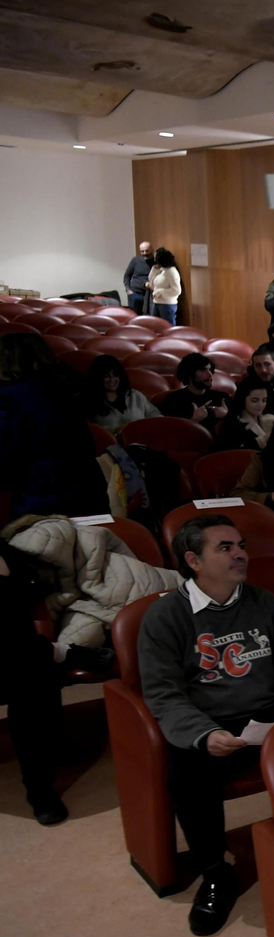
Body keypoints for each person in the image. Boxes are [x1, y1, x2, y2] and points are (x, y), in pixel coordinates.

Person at [137, 515, 274, 934]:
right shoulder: (165, 616)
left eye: (240, 545)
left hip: (270, 716)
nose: (241, 554)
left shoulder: (264, 603)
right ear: (192, 560)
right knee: (186, 772)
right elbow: (164, 694)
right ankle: (216, 871)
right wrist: (203, 734)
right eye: (225, 548)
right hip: (210, 723)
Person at [1, 533, 71, 824]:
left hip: (15, 653)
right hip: (19, 653)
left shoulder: (8, 551)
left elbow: (33, 591)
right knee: (33, 663)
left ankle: (39, 786)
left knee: (32, 676)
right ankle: (64, 653)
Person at [1, 335, 105, 520]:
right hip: (90, 495)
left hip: (40, 502)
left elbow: (7, 455)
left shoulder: (9, 398)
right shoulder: (65, 388)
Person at [85, 353, 160, 431]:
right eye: (106, 376)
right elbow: (88, 430)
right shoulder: (87, 400)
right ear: (97, 378)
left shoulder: (135, 395)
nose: (112, 380)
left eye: (115, 375)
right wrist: (117, 430)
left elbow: (157, 417)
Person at [157, 353, 230, 430]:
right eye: (203, 370)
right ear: (189, 374)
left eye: (210, 369)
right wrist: (194, 420)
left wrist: (227, 416)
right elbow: (168, 433)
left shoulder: (222, 398)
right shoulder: (173, 400)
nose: (210, 374)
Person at [209, 380, 274, 453]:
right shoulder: (233, 424)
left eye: (264, 400)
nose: (260, 405)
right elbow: (232, 454)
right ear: (243, 399)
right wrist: (262, 441)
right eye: (254, 400)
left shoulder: (271, 419)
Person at [148, 247, 182, 326]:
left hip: (167, 304)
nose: (154, 260)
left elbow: (177, 290)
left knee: (168, 326)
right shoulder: (162, 270)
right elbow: (152, 283)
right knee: (155, 326)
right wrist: (154, 270)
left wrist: (160, 292)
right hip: (157, 302)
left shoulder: (171, 271)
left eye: (156, 258)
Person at [123, 241, 153, 314]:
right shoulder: (135, 260)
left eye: (147, 250)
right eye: (142, 251)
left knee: (148, 318)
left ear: (152, 249)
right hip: (135, 294)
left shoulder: (156, 262)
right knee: (134, 317)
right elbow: (127, 275)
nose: (145, 253)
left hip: (149, 295)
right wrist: (128, 290)